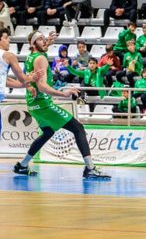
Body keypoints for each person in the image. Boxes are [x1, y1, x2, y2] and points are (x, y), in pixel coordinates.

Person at [13, 31, 110, 179]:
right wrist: (64, 93)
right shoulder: (40, 58)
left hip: (33, 104)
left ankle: (22, 165)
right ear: (33, 44)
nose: (44, 40)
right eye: (40, 39)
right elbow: (42, 87)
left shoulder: (31, 56)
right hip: (43, 104)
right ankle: (90, 168)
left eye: (43, 38)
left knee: (47, 132)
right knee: (78, 128)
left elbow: (35, 70)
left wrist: (48, 42)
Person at [0, 27, 41, 105]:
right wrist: (31, 78)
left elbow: (5, 80)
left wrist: (26, 85)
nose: (9, 40)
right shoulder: (8, 55)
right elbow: (23, 79)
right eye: (6, 38)